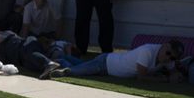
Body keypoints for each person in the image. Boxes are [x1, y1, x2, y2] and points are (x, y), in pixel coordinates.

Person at [53, 40, 184, 82]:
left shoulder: (167, 60)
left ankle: (61, 58)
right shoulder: (148, 51)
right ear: (164, 46)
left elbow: (174, 71)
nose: (168, 58)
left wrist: (176, 73)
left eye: (172, 57)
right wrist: (166, 79)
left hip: (109, 65)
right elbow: (141, 76)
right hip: (106, 64)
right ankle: (58, 62)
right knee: (75, 71)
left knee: (81, 65)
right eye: (168, 53)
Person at [0, 31, 66, 80]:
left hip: (24, 46)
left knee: (30, 54)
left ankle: (49, 63)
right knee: (32, 65)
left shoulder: (6, 34)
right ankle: (53, 70)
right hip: (21, 60)